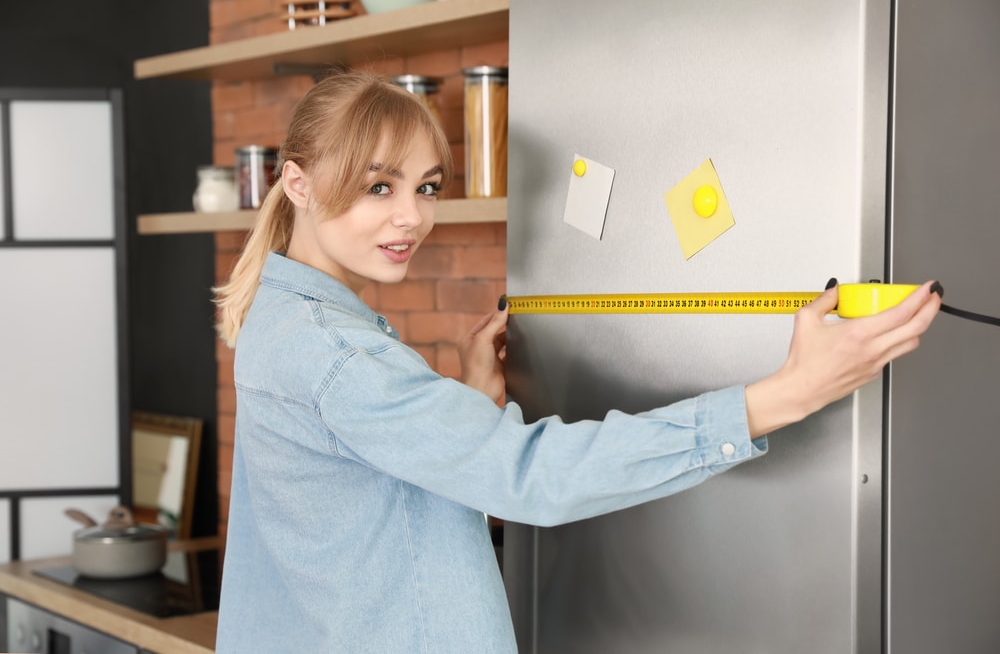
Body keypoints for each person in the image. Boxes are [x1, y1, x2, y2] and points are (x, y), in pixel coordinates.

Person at [212, 71, 942, 653]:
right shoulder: (335, 352)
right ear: (298, 183)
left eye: (426, 187)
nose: (412, 216)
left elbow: (399, 503)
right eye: (380, 186)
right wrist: (785, 394)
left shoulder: (287, 323)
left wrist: (472, 395)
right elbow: (529, 475)